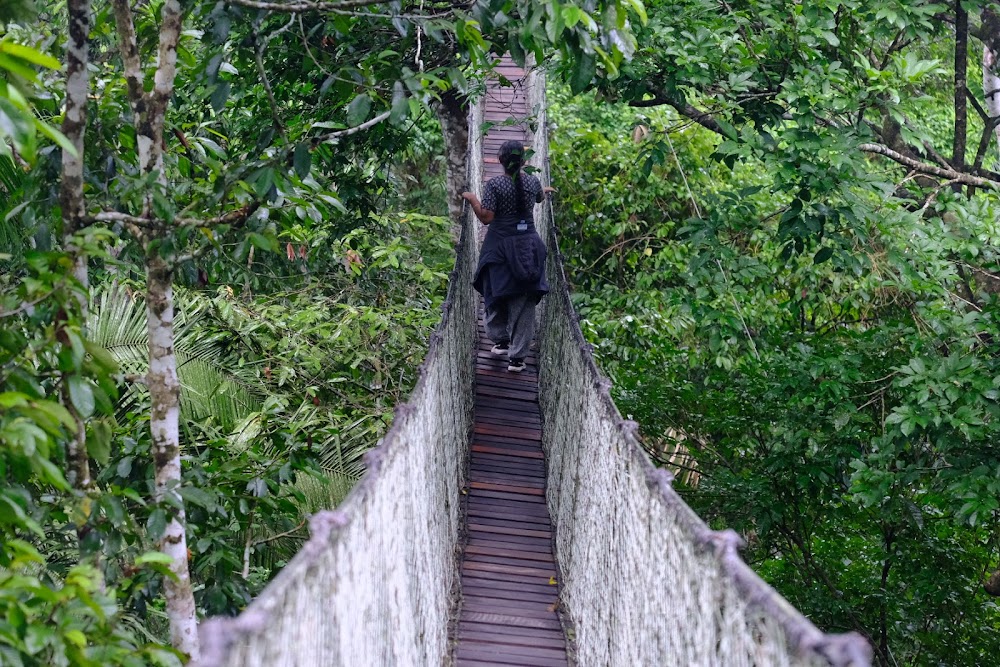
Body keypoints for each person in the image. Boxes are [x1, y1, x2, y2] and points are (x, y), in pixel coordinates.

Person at [462, 140, 552, 373]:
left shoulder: (495, 185)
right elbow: (539, 198)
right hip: (529, 246)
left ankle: (500, 340)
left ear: (501, 161)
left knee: (494, 291)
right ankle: (517, 359)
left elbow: (486, 218)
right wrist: (544, 191)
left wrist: (472, 198)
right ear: (523, 161)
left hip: (500, 247)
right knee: (524, 301)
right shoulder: (532, 181)